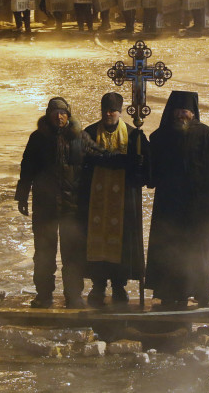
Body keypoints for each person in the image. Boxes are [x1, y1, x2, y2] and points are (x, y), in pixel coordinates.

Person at [15, 97, 104, 309]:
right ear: (48, 115)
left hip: (71, 207)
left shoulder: (79, 137)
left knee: (72, 254)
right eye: (55, 113)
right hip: (44, 207)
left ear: (68, 115)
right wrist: (22, 196)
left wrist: (128, 159)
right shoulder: (38, 139)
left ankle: (73, 296)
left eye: (63, 112)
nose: (59, 116)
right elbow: (27, 169)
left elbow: (100, 154)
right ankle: (44, 295)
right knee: (44, 253)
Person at [145, 91, 209, 309]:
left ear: (193, 112)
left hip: (198, 209)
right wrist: (141, 147)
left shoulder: (206, 135)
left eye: (185, 111)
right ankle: (171, 294)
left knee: (198, 254)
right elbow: (151, 174)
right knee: (170, 252)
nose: (181, 115)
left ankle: (203, 294)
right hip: (169, 208)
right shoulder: (161, 137)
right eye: (178, 111)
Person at [80, 93, 151, 307]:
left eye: (113, 110)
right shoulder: (90, 133)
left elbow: (144, 165)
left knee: (121, 243)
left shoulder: (133, 135)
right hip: (95, 199)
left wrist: (139, 168)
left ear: (120, 111)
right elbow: (81, 161)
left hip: (123, 199)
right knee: (96, 241)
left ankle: (119, 286)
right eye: (106, 110)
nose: (109, 114)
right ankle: (98, 285)